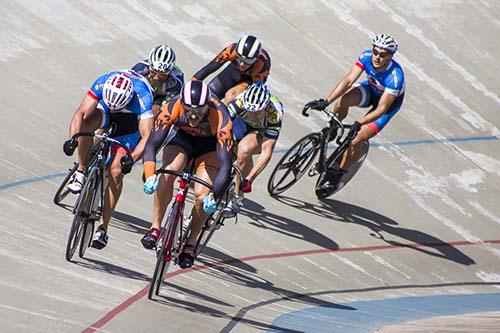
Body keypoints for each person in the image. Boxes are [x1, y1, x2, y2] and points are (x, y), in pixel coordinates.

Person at [141, 80, 233, 269]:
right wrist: (150, 174)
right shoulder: (173, 106)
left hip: (209, 148)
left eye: (199, 112)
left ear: (207, 106)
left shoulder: (222, 118)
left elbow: (225, 166)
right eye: (189, 110)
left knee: (201, 195)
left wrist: (213, 195)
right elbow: (152, 144)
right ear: (182, 103)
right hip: (182, 140)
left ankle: (190, 243)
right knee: (166, 175)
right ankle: (155, 227)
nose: (193, 116)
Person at [63, 71, 154, 249]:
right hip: (104, 110)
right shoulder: (103, 83)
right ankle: (81, 171)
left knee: (116, 171)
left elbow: (147, 136)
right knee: (87, 124)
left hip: (130, 123)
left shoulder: (142, 95)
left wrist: (132, 158)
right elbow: (80, 113)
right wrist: (72, 138)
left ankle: (103, 228)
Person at [304, 33, 405, 189]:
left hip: (385, 106)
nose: (377, 57)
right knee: (342, 101)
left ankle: (338, 174)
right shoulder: (366, 56)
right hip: (371, 90)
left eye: (382, 55)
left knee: (357, 139)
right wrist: (326, 101)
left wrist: (359, 123)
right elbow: (349, 80)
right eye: (375, 52)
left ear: (391, 56)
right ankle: (334, 128)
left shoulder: (395, 77)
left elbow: (381, 109)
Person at [222, 82, 284, 218]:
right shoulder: (240, 102)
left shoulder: (274, 114)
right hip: (242, 123)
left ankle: (237, 198)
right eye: (250, 111)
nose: (253, 115)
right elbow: (221, 125)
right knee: (226, 144)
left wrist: (250, 179)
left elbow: (266, 151)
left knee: (244, 150)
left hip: (261, 130)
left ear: (266, 107)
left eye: (257, 112)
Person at [192, 35, 271, 103]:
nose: (242, 64)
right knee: (208, 95)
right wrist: (189, 86)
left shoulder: (262, 66)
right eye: (239, 58)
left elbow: (254, 93)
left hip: (248, 80)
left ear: (256, 59)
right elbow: (208, 68)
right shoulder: (231, 50)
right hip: (233, 71)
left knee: (230, 96)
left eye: (248, 61)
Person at [131, 44, 184, 116]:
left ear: (170, 72)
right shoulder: (139, 69)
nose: (156, 77)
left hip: (161, 97)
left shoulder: (176, 82)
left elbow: (167, 107)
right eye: (153, 72)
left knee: (154, 112)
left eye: (162, 75)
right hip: (143, 91)